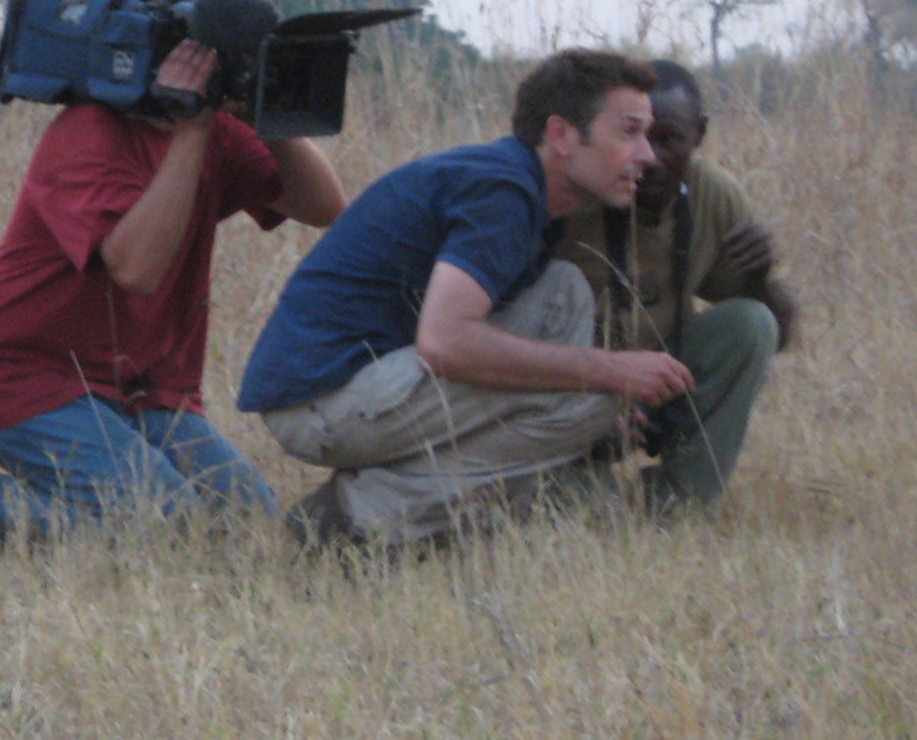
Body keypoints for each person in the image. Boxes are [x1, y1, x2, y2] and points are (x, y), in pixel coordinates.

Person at [0, 0, 349, 540]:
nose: (212, 50)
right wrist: (191, 130)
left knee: (245, 519)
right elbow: (136, 270)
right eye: (197, 32)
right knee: (164, 525)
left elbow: (325, 209)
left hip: (143, 388)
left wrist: (269, 111)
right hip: (28, 381)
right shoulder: (87, 135)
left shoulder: (220, 133)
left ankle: (49, 498)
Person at [237, 49, 692, 547]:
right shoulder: (502, 191)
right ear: (561, 135)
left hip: (357, 384)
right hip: (320, 401)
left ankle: (431, 517)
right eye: (628, 132)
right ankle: (354, 519)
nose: (647, 155)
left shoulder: (521, 187)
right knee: (593, 393)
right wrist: (611, 371)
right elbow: (445, 343)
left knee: (564, 291)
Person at [552, 59, 794, 512]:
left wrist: (757, 280)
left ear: (699, 135)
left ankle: (679, 502)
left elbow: (775, 334)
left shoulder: (714, 195)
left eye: (670, 140)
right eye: (633, 136)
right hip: (570, 395)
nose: (650, 158)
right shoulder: (573, 196)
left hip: (658, 390)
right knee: (589, 524)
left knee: (752, 322)